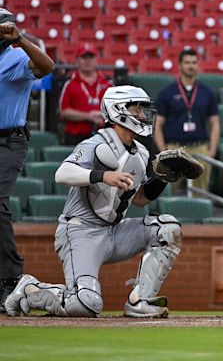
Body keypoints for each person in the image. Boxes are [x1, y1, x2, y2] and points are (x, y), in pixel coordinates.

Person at [4, 85, 182, 318]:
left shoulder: (141, 152)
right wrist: (102, 175)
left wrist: (164, 178)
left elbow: (139, 199)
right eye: (136, 108)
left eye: (142, 108)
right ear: (118, 110)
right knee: (85, 304)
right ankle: (29, 289)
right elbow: (62, 173)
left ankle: (140, 301)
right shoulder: (96, 144)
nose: (142, 114)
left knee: (167, 229)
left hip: (114, 231)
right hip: (80, 231)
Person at [0, 8, 54, 313]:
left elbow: (47, 66)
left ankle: (10, 277)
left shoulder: (15, 56)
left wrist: (20, 38)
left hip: (9, 140)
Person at [153, 48, 220, 194]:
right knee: (168, 190)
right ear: (180, 65)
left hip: (199, 148)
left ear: (198, 65)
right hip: (174, 148)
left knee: (200, 193)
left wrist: (212, 150)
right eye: (187, 62)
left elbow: (214, 123)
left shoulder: (207, 93)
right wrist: (163, 149)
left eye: (194, 62)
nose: (191, 66)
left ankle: (200, 217)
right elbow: (157, 124)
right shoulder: (167, 93)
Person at [59, 42, 112, 145]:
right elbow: (64, 111)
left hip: (103, 136)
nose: (88, 61)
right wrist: (88, 116)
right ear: (77, 60)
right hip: (76, 137)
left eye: (91, 58)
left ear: (96, 60)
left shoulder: (107, 83)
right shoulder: (70, 84)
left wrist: (102, 115)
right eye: (84, 58)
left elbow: (115, 109)